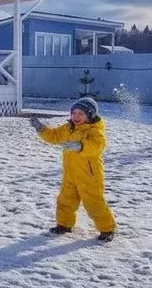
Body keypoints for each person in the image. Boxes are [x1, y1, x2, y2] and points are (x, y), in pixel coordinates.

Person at [29, 97, 116, 242]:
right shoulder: (68, 128)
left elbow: (98, 145)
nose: (76, 116)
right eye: (74, 113)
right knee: (65, 200)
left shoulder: (94, 130)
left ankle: (107, 229)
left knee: (94, 203)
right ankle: (64, 225)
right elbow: (54, 136)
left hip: (90, 175)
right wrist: (41, 129)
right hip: (71, 174)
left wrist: (80, 146)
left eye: (81, 114)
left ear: (90, 115)